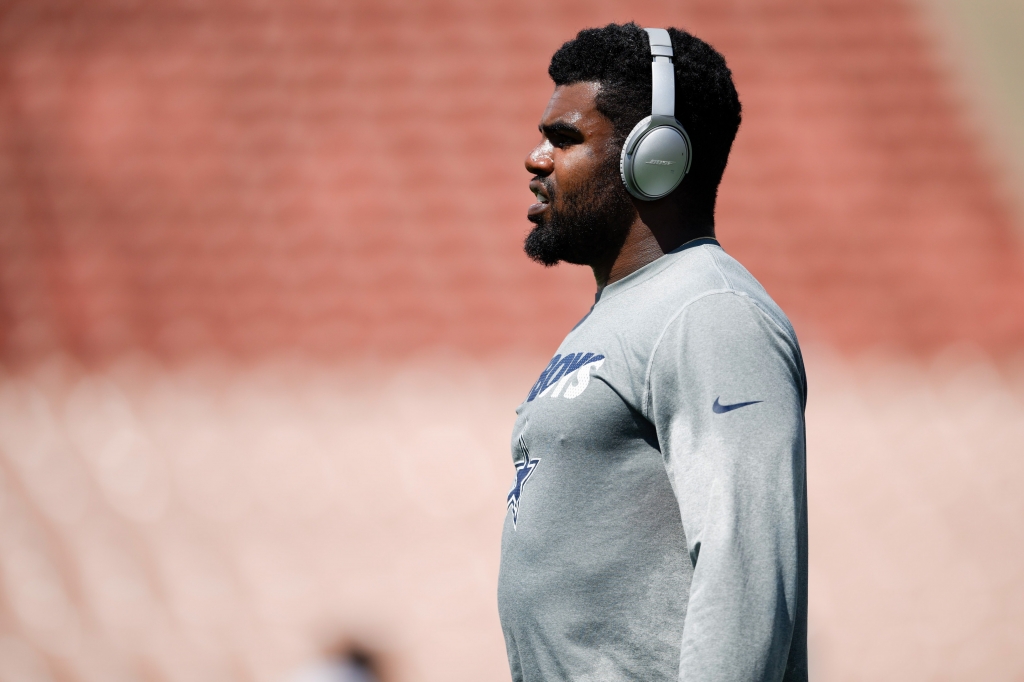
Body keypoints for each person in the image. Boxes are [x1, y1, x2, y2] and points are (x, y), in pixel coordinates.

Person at [497, 23, 808, 682]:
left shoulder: (709, 311)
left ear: (656, 155)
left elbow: (742, 567)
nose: (535, 159)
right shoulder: (620, 316)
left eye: (565, 138)